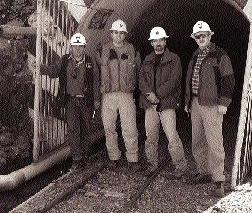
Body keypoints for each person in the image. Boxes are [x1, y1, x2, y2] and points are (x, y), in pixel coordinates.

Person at [184, 21, 235, 197]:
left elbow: (228, 79)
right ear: (194, 38)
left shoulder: (220, 55)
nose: (201, 38)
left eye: (204, 35)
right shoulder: (195, 55)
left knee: (214, 142)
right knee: (197, 139)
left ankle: (219, 180)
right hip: (196, 103)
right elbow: (190, 79)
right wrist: (187, 100)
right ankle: (204, 171)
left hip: (213, 104)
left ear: (210, 36)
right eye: (198, 36)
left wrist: (224, 103)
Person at [40, 33, 99, 169]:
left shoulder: (90, 62)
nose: (77, 49)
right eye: (75, 46)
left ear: (84, 47)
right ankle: (77, 158)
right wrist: (41, 67)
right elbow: (54, 71)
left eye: (80, 46)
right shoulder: (65, 60)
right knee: (73, 129)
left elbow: (96, 82)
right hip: (70, 101)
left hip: (86, 101)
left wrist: (96, 100)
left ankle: (85, 155)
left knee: (86, 128)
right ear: (71, 47)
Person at [139, 27, 187, 179]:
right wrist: (149, 95)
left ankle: (180, 166)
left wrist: (157, 95)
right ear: (152, 43)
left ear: (165, 42)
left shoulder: (174, 59)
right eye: (155, 41)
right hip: (150, 104)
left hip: (167, 104)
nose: (158, 43)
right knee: (150, 137)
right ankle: (152, 165)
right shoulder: (147, 60)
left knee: (172, 136)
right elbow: (141, 80)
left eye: (161, 40)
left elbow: (173, 81)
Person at [99, 19, 141, 172]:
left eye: (121, 33)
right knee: (109, 127)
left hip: (126, 94)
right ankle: (113, 157)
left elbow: (139, 71)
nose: (118, 36)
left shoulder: (132, 50)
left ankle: (133, 158)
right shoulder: (103, 50)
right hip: (108, 94)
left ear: (125, 35)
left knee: (129, 127)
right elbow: (97, 73)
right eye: (116, 32)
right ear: (111, 33)